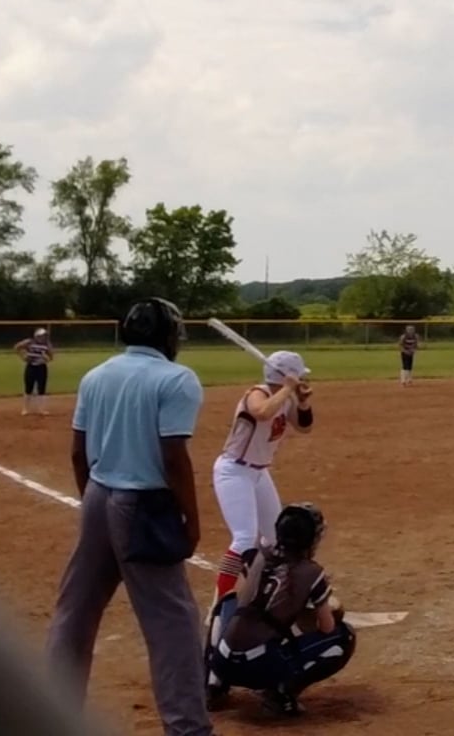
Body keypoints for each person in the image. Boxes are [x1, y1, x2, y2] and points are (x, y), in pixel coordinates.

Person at [44, 298, 213, 736]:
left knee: (74, 612)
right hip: (142, 506)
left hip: (97, 495)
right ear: (167, 335)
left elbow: (78, 452)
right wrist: (191, 521)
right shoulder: (176, 379)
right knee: (173, 623)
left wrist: (93, 503)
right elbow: (173, 457)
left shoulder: (96, 375)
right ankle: (188, 728)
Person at [205, 350, 313, 699]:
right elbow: (262, 411)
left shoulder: (284, 397)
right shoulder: (259, 393)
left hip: (259, 474)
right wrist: (288, 389)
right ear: (284, 376)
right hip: (233, 471)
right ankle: (220, 603)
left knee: (275, 540)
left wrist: (302, 400)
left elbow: (305, 426)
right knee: (244, 537)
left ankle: (269, 595)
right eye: (298, 375)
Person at [205, 503, 355, 716]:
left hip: (222, 663)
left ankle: (213, 685)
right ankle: (280, 695)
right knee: (344, 636)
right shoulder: (311, 572)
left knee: (227, 603)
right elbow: (327, 627)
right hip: (259, 670)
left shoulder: (258, 556)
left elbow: (246, 598)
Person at [16, 327, 55, 415]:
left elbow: (51, 356)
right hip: (31, 367)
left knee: (41, 388)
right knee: (28, 387)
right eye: (42, 336)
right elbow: (17, 347)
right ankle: (25, 409)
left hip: (41, 367)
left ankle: (41, 409)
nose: (43, 337)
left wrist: (46, 359)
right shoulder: (30, 342)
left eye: (44, 336)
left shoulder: (47, 344)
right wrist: (23, 356)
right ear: (36, 336)